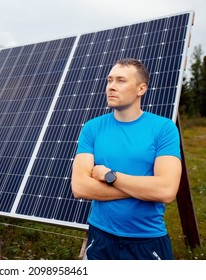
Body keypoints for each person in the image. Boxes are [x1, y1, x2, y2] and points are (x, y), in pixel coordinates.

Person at [71, 58, 182, 260]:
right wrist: (143, 188)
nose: (111, 87)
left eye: (121, 81)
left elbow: (166, 191)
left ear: (141, 89)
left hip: (147, 240)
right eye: (109, 80)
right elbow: (80, 187)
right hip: (100, 237)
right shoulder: (92, 128)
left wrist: (110, 176)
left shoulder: (164, 129)